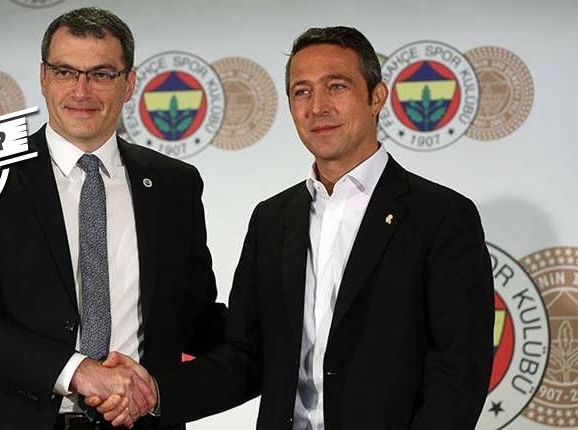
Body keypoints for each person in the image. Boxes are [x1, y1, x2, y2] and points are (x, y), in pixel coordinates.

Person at [101, 26, 494, 429]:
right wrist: (155, 392)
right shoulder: (272, 219)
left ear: (377, 97)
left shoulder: (441, 216)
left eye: (336, 86)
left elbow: (459, 371)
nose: (317, 107)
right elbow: (248, 356)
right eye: (302, 92)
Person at [0, 7, 225, 430]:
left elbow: (194, 319)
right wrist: (77, 371)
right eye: (66, 72)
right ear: (43, 77)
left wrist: (286, 325)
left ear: (129, 83)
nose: (81, 90)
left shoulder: (174, 184)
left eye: (101, 74)